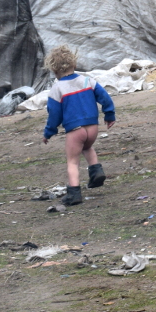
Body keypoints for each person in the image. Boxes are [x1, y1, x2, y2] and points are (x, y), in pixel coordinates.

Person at [41, 45, 115, 206]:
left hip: (75, 130)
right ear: (74, 64)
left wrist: (49, 132)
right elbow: (105, 97)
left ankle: (74, 193)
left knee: (72, 161)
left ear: (54, 70)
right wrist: (109, 115)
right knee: (87, 147)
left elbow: (54, 114)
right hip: (92, 127)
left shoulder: (57, 88)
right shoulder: (87, 81)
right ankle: (96, 171)